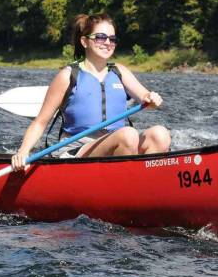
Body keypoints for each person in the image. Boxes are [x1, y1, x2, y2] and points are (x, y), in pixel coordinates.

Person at [11, 13, 170, 171]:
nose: (108, 43)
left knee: (160, 134)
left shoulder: (120, 72)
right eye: (100, 37)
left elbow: (145, 98)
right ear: (84, 41)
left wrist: (152, 99)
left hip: (120, 142)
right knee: (128, 135)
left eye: (112, 39)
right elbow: (40, 122)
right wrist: (23, 151)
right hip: (78, 149)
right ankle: (127, 185)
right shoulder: (68, 76)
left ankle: (142, 184)